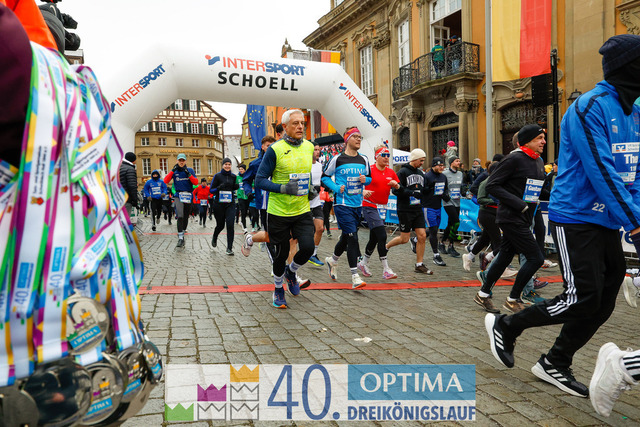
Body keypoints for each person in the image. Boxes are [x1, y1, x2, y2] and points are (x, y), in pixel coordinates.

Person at [486, 34, 640, 400]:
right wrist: (635, 225)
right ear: (629, 68)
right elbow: (602, 171)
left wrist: (634, 219)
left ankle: (555, 362)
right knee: (582, 296)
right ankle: (507, 325)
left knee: (603, 303)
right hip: (576, 218)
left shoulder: (635, 114)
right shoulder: (589, 107)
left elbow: (634, 175)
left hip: (607, 221)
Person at [475, 124, 546, 314]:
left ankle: (483, 294)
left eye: (543, 138)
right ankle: (513, 298)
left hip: (525, 218)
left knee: (505, 255)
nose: (544, 142)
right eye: (539, 138)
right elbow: (492, 185)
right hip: (511, 217)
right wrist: (519, 204)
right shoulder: (514, 158)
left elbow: (536, 190)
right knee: (536, 258)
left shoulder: (538, 161)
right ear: (527, 141)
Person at [255, 109, 316, 308]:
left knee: (308, 248)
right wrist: (283, 188)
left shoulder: (309, 147)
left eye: (302, 123)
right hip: (279, 212)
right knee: (281, 254)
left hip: (301, 209)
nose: (300, 127)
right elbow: (259, 180)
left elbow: (305, 173)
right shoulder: (275, 150)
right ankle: (278, 288)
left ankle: (292, 271)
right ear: (285, 127)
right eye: (295, 123)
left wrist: (311, 188)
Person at [322, 127, 372, 289]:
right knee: (352, 237)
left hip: (357, 204)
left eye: (360, 137)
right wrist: (336, 188)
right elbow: (325, 177)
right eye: (355, 136)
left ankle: (332, 260)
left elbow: (369, 178)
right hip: (342, 204)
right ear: (347, 139)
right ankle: (355, 276)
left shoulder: (364, 159)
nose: (358, 139)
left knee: (346, 236)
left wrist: (366, 180)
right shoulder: (337, 159)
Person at [386, 148, 433, 274]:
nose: (422, 163)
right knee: (404, 239)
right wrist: (411, 193)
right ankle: (386, 246)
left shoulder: (421, 173)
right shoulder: (402, 172)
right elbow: (395, 190)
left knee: (422, 235)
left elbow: (422, 189)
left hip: (417, 209)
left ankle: (419, 264)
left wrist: (428, 189)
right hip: (405, 209)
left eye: (423, 160)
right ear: (414, 159)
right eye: (421, 160)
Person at [358, 145, 400, 279]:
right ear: (376, 157)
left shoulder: (391, 172)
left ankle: (363, 263)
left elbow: (398, 188)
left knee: (374, 238)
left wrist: (396, 185)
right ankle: (386, 269)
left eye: (388, 155)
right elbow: (356, 185)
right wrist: (363, 190)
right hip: (369, 205)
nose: (387, 158)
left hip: (383, 208)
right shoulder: (368, 170)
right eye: (384, 155)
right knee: (382, 235)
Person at [163, 153, 198, 247]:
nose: (181, 162)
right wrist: (172, 171)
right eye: (180, 160)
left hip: (188, 195)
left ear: (185, 161)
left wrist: (188, 174)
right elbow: (165, 181)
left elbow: (196, 182)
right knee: (180, 215)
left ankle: (182, 232)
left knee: (186, 216)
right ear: (177, 161)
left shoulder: (190, 170)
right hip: (178, 195)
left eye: (183, 160)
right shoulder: (174, 171)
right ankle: (180, 237)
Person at [421, 157, 450, 267]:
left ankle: (416, 239)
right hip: (428, 206)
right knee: (433, 231)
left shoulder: (443, 177)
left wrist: (445, 195)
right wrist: (430, 187)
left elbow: (445, 189)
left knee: (434, 229)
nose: (442, 167)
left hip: (438, 206)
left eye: (443, 165)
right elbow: (422, 191)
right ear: (434, 166)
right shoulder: (427, 176)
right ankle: (436, 255)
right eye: (440, 165)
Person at [210, 158, 238, 255]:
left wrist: (235, 187)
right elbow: (211, 190)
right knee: (220, 225)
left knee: (230, 225)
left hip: (230, 203)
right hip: (219, 204)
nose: (227, 166)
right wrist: (218, 188)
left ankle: (229, 248)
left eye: (229, 164)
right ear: (222, 165)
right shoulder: (217, 176)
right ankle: (215, 236)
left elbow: (234, 187)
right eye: (226, 164)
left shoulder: (233, 176)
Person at [440, 156, 464, 257]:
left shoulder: (460, 174)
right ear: (451, 163)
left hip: (457, 201)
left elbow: (461, 186)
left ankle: (442, 242)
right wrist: (445, 196)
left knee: (450, 224)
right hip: (448, 202)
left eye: (459, 161)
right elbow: (440, 187)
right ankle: (451, 245)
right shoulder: (444, 174)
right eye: (456, 161)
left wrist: (463, 192)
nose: (459, 162)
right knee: (456, 222)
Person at [307, 143, 326, 267]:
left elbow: (322, 180)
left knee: (320, 228)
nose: (317, 152)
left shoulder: (319, 166)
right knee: (301, 234)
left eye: (319, 150)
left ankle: (313, 254)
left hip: (316, 202)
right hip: (304, 203)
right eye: (315, 150)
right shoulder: (305, 165)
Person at [120, 152, 138, 218]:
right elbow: (132, 186)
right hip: (126, 198)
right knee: (125, 219)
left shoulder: (119, 167)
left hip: (118, 197)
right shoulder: (130, 169)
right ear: (133, 160)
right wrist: (135, 200)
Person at [236, 164, 250, 230]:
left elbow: (252, 184)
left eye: (242, 169)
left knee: (246, 211)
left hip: (246, 196)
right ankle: (244, 226)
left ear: (245, 170)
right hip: (240, 196)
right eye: (239, 169)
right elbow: (235, 185)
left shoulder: (248, 176)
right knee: (243, 211)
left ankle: (242, 221)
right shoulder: (237, 177)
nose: (240, 170)